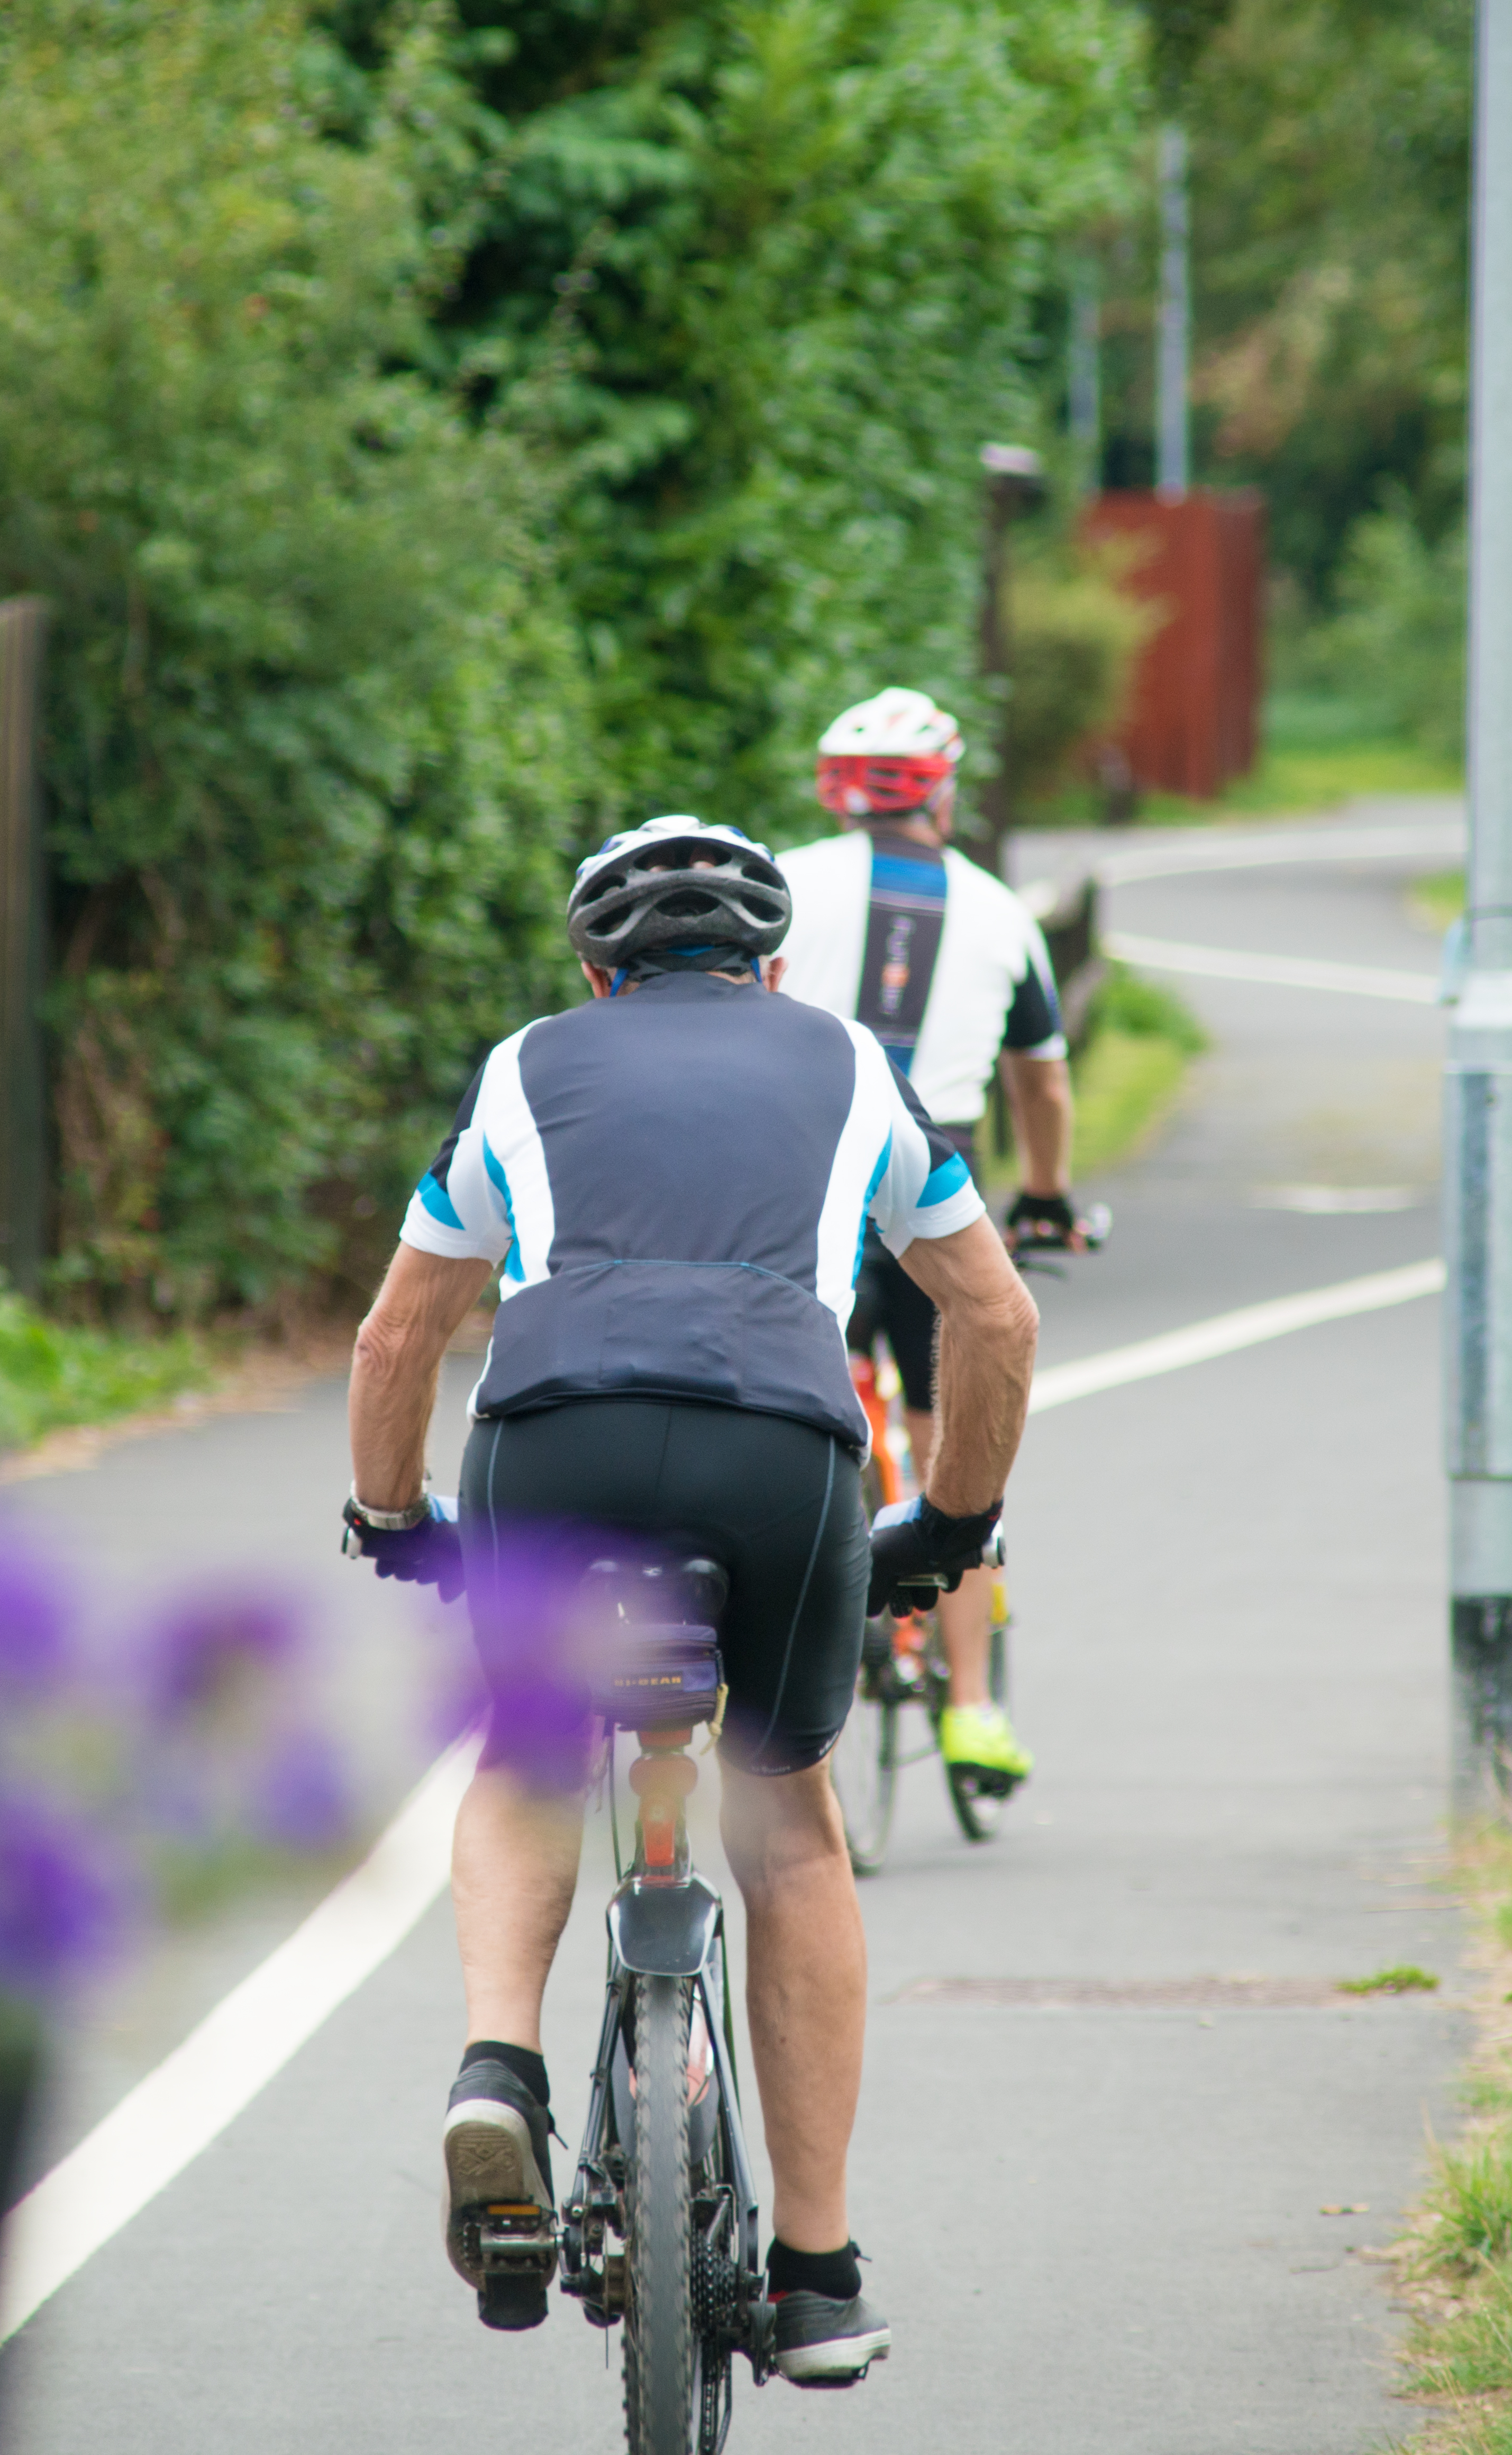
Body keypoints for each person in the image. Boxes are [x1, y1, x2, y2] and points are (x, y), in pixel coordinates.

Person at [340, 816, 1040, 2380]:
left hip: (555, 1433)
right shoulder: (853, 1061)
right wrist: (956, 1520)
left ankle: (496, 2068)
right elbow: (993, 1314)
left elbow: (397, 1339)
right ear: (776, 963)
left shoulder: (525, 1066)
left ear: (595, 972)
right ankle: (815, 2268)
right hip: (780, 1453)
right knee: (786, 1814)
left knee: (527, 1750)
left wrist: (393, 1515)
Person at [771, 688, 1086, 1786]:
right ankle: (975, 1713)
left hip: (802, 1174)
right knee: (954, 1445)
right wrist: (1045, 1192)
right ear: (941, 790)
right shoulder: (998, 911)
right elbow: (1039, 1081)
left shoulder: (781, 883)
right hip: (932, 1176)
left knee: (780, 1404)